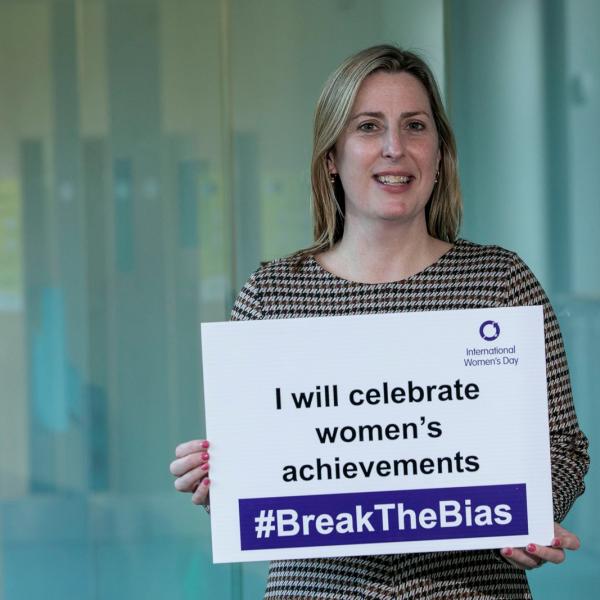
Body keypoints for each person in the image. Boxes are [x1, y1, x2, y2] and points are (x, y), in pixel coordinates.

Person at [169, 45, 589, 599]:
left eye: (415, 126)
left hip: (472, 588)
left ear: (439, 156)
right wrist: (216, 477)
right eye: (368, 127)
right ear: (332, 159)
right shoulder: (272, 297)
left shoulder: (500, 283)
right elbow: (267, 472)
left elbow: (562, 446)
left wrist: (531, 514)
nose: (395, 148)